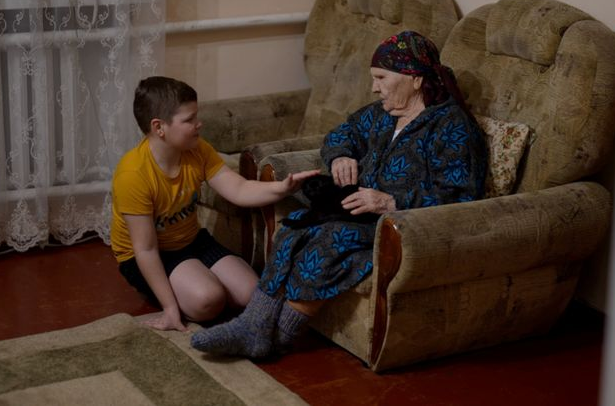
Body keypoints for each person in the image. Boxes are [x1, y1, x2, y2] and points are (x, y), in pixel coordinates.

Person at [191, 30, 488, 357]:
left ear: (415, 79)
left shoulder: (452, 127)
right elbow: (339, 135)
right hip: (359, 212)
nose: (374, 87)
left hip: (400, 225)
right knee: (295, 226)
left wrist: (390, 201)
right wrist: (341, 155)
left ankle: (279, 336)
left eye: (381, 78)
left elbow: (461, 196)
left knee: (329, 238)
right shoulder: (381, 114)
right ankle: (255, 325)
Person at [111, 76, 318, 332]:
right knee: (208, 300)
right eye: (189, 119)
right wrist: (170, 309)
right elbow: (145, 250)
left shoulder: (197, 149)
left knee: (251, 293)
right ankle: (184, 290)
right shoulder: (133, 174)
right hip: (148, 256)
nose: (199, 124)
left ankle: (195, 280)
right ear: (159, 127)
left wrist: (281, 188)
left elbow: (238, 189)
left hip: (190, 240)